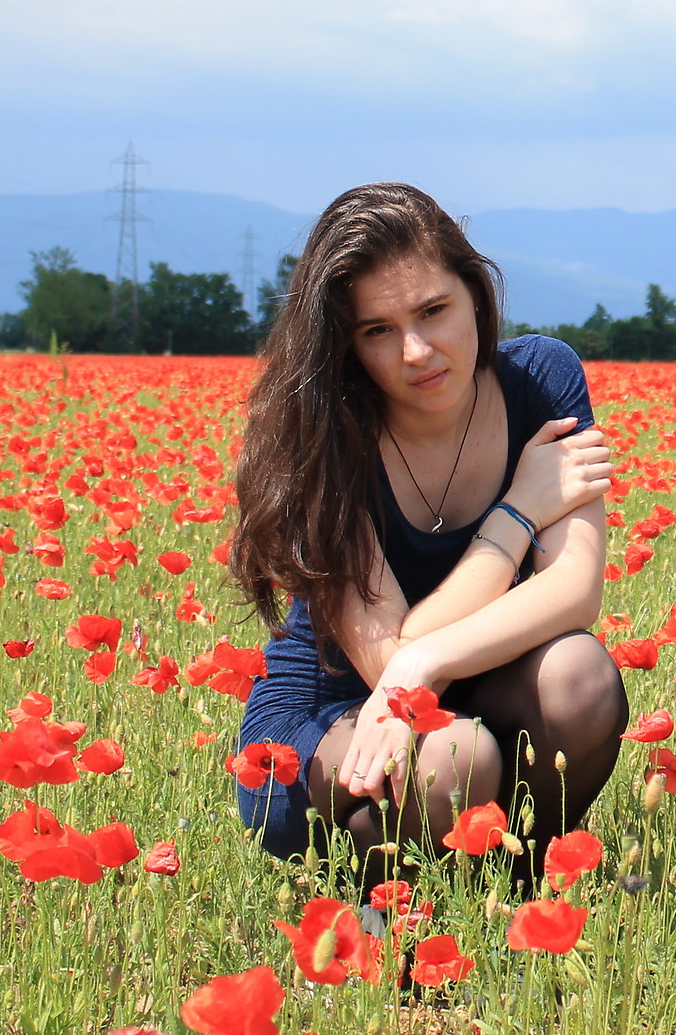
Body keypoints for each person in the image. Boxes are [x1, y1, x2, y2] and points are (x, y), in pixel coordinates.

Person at [228, 183, 627, 882]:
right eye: (377, 330)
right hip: (336, 724)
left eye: (434, 311)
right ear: (346, 345)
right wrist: (517, 513)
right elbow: (389, 666)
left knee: (579, 677)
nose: (417, 351)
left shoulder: (542, 381)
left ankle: (512, 884)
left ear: (476, 293)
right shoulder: (327, 441)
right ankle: (383, 901)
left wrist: (423, 660)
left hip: (469, 684)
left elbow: (574, 589)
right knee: (451, 755)